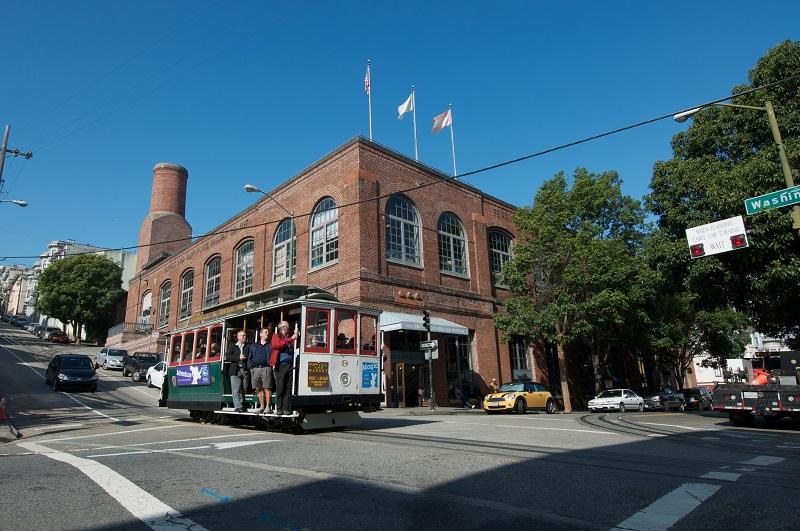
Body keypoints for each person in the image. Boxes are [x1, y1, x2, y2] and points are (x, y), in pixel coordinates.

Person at [270, 320, 297, 415]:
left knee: (288, 388)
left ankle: (286, 409)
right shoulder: (276, 336)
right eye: (287, 327)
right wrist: (291, 339)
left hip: (290, 365)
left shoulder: (289, 338)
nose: (288, 329)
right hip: (280, 366)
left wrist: (296, 336)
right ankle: (279, 408)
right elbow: (277, 345)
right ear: (283, 328)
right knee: (280, 387)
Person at [248, 324, 274, 414]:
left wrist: (271, 366)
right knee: (259, 388)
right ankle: (262, 406)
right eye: (265, 332)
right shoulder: (254, 345)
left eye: (268, 332)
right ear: (260, 334)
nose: (267, 334)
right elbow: (250, 357)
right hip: (255, 369)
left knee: (267, 387)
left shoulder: (270, 345)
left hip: (266, 368)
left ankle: (268, 407)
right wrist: (251, 368)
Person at [224, 330, 251, 412]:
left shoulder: (248, 346)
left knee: (244, 389)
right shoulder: (233, 346)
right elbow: (227, 357)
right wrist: (238, 358)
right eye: (243, 335)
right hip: (235, 370)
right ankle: (238, 406)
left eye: (245, 335)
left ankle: (242, 404)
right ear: (238, 337)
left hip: (245, 370)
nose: (244, 337)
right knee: (236, 389)